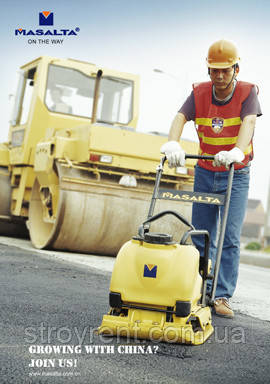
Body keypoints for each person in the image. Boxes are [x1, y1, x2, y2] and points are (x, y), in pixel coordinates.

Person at [161, 39, 262, 318]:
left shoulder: (247, 92)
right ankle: (199, 288)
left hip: (235, 173)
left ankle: (221, 296)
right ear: (208, 71)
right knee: (202, 236)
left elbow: (249, 122)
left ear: (236, 69)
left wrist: (237, 151)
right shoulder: (199, 92)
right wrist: (173, 143)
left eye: (225, 71)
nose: (219, 76)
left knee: (229, 237)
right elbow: (181, 117)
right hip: (205, 170)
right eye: (214, 71)